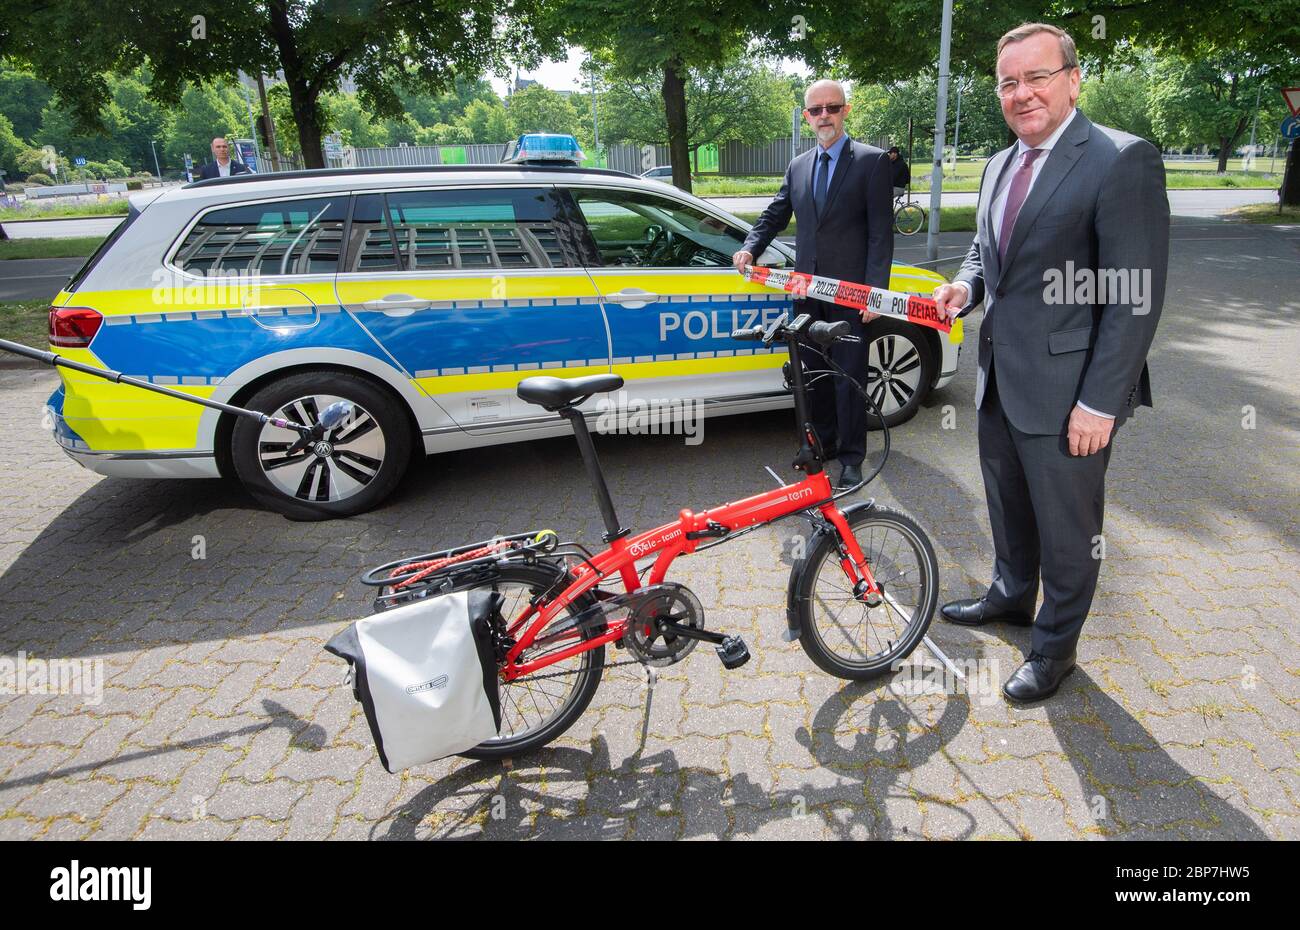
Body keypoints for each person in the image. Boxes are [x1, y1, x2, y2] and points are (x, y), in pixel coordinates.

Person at [930, 23, 1169, 702]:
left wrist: (1100, 401)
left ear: (1072, 78)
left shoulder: (1123, 160)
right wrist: (965, 288)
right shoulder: (1000, 163)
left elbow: (1134, 299)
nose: (1022, 92)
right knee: (1008, 505)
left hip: (1072, 395)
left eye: (1037, 76)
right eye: (1009, 82)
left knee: (1068, 532)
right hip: (1001, 379)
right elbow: (987, 252)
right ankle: (1010, 595)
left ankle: (1055, 649)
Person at [733, 79, 894, 490]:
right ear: (806, 116)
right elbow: (775, 213)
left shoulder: (873, 162)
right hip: (806, 293)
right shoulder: (798, 165)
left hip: (851, 296)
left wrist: (875, 291)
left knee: (848, 378)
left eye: (832, 108)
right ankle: (823, 444)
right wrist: (750, 247)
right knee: (813, 374)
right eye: (815, 110)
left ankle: (853, 458)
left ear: (846, 110)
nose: (824, 116)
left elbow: (880, 234)